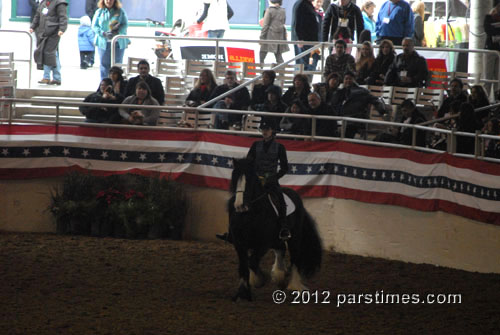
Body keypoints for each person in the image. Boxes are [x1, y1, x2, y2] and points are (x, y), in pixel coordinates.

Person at [217, 119, 290, 242]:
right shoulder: (255, 145)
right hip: (255, 181)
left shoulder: (280, 147)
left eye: (267, 129)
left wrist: (273, 178)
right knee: (234, 201)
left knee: (280, 200)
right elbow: (249, 163)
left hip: (270, 181)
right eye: (263, 129)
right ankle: (231, 231)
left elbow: (284, 168)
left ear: (272, 131)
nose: (264, 132)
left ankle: (283, 228)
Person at [330, 71, 384, 138]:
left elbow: (375, 100)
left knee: (347, 129)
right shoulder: (340, 92)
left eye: (350, 79)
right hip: (341, 119)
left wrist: (382, 109)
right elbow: (333, 105)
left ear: (354, 80)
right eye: (346, 79)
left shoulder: (362, 91)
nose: (348, 81)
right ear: (343, 80)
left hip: (356, 120)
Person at [30, 0, 68, 86]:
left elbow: (63, 17)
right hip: (43, 32)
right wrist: (33, 26)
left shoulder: (59, 3)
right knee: (52, 54)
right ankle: (57, 78)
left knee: (48, 53)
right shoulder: (43, 3)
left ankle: (46, 77)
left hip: (54, 32)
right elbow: (37, 16)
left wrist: (62, 29)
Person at [92, 0, 130, 80]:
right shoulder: (99, 11)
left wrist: (118, 31)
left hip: (118, 43)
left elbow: (125, 24)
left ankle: (117, 86)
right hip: (103, 43)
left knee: (117, 66)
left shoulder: (120, 11)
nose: (109, 1)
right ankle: (104, 86)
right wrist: (103, 33)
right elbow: (94, 26)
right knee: (104, 66)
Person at [291, 0, 319, 71]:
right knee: (302, 63)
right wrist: (299, 38)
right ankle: (300, 79)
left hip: (309, 40)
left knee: (307, 63)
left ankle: (304, 78)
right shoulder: (301, 4)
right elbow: (297, 22)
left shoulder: (308, 4)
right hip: (304, 40)